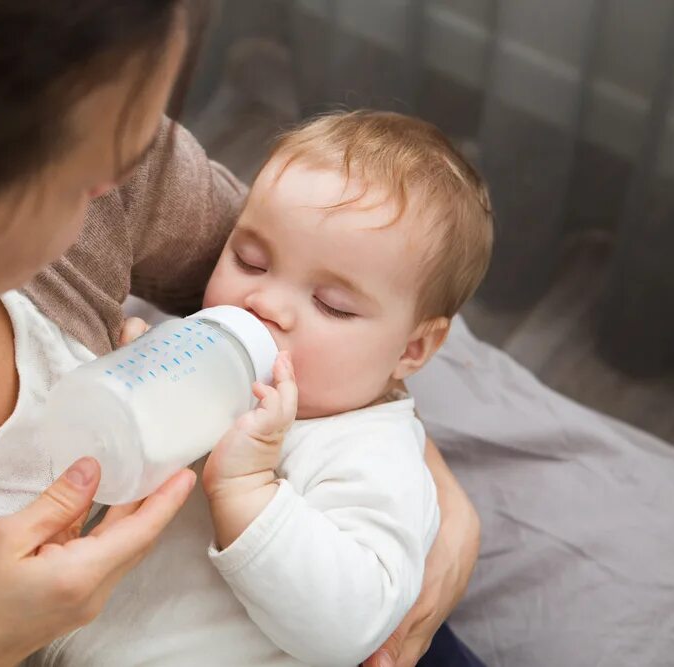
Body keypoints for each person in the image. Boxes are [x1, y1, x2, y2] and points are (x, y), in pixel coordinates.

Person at [0, 1, 479, 665]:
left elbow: (352, 275)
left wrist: (423, 479)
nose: (128, 181)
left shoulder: (96, 133)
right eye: (93, 178)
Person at [40, 110, 490, 666]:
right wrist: (129, 370)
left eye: (332, 305)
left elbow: (351, 627)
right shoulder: (200, 362)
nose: (265, 304)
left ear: (411, 350)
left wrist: (249, 491)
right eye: (248, 260)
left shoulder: (373, 457)